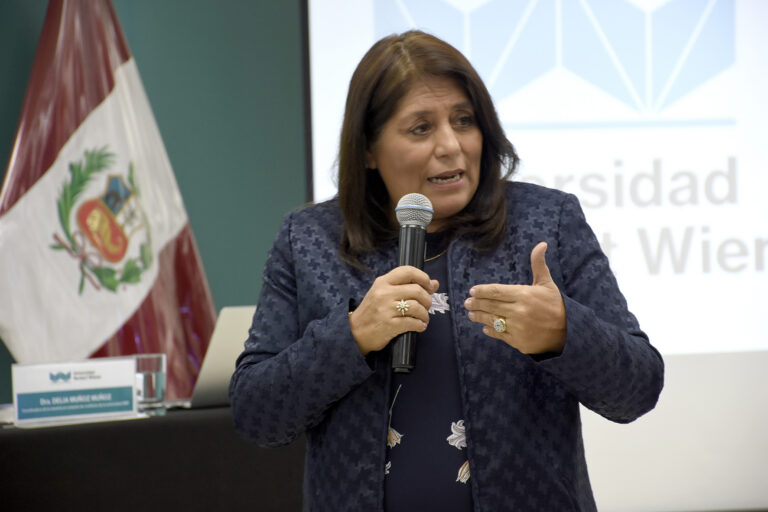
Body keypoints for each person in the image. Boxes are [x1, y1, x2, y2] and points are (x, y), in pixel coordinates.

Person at [230, 30, 664, 511]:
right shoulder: (309, 240)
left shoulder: (547, 222)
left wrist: (564, 333)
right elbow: (256, 414)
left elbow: (638, 390)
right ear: (369, 149)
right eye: (421, 128)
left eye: (464, 121)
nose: (451, 145)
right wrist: (350, 335)